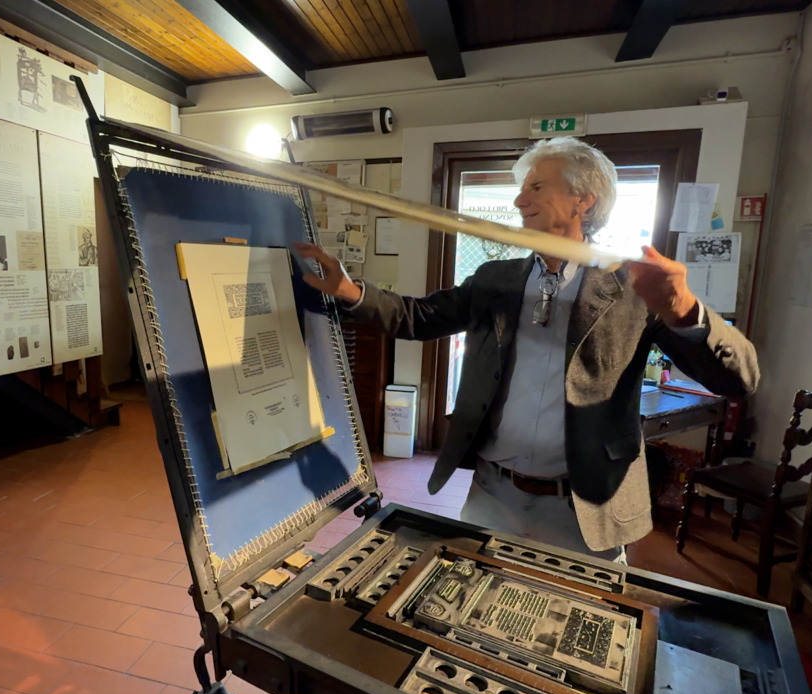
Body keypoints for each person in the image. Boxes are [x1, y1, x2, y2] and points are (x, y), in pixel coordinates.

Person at [295, 137, 759, 562]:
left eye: (536, 187)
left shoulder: (633, 285)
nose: (519, 201)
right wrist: (351, 291)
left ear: (583, 200)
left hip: (586, 505)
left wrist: (685, 311)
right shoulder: (496, 279)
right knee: (474, 602)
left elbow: (739, 380)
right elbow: (419, 317)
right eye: (521, 190)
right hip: (492, 494)